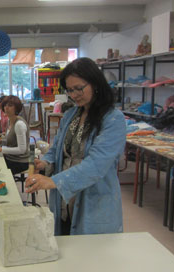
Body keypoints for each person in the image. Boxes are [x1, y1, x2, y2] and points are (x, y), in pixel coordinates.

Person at [25, 57, 126, 235]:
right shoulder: (71, 115)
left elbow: (96, 164)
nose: (74, 95)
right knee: (66, 244)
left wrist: (54, 180)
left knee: (90, 255)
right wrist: (45, 163)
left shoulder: (112, 119)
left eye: (79, 88)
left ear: (95, 84)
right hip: (65, 198)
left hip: (93, 201)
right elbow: (57, 150)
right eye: (70, 90)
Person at [0, 95, 29, 175]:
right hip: (11, 158)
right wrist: (0, 141)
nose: (6, 108)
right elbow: (12, 140)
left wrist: (0, 149)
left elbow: (22, 149)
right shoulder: (10, 121)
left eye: (10, 106)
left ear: (16, 108)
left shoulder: (19, 124)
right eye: (5, 105)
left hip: (19, 162)